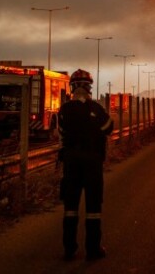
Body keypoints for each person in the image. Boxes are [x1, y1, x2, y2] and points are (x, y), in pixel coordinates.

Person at [59, 69, 113, 261]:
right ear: (89, 87)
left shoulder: (65, 110)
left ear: (72, 87)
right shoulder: (97, 109)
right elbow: (109, 128)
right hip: (92, 163)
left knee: (71, 207)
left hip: (71, 163)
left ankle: (69, 248)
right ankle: (93, 249)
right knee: (93, 208)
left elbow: (61, 132)